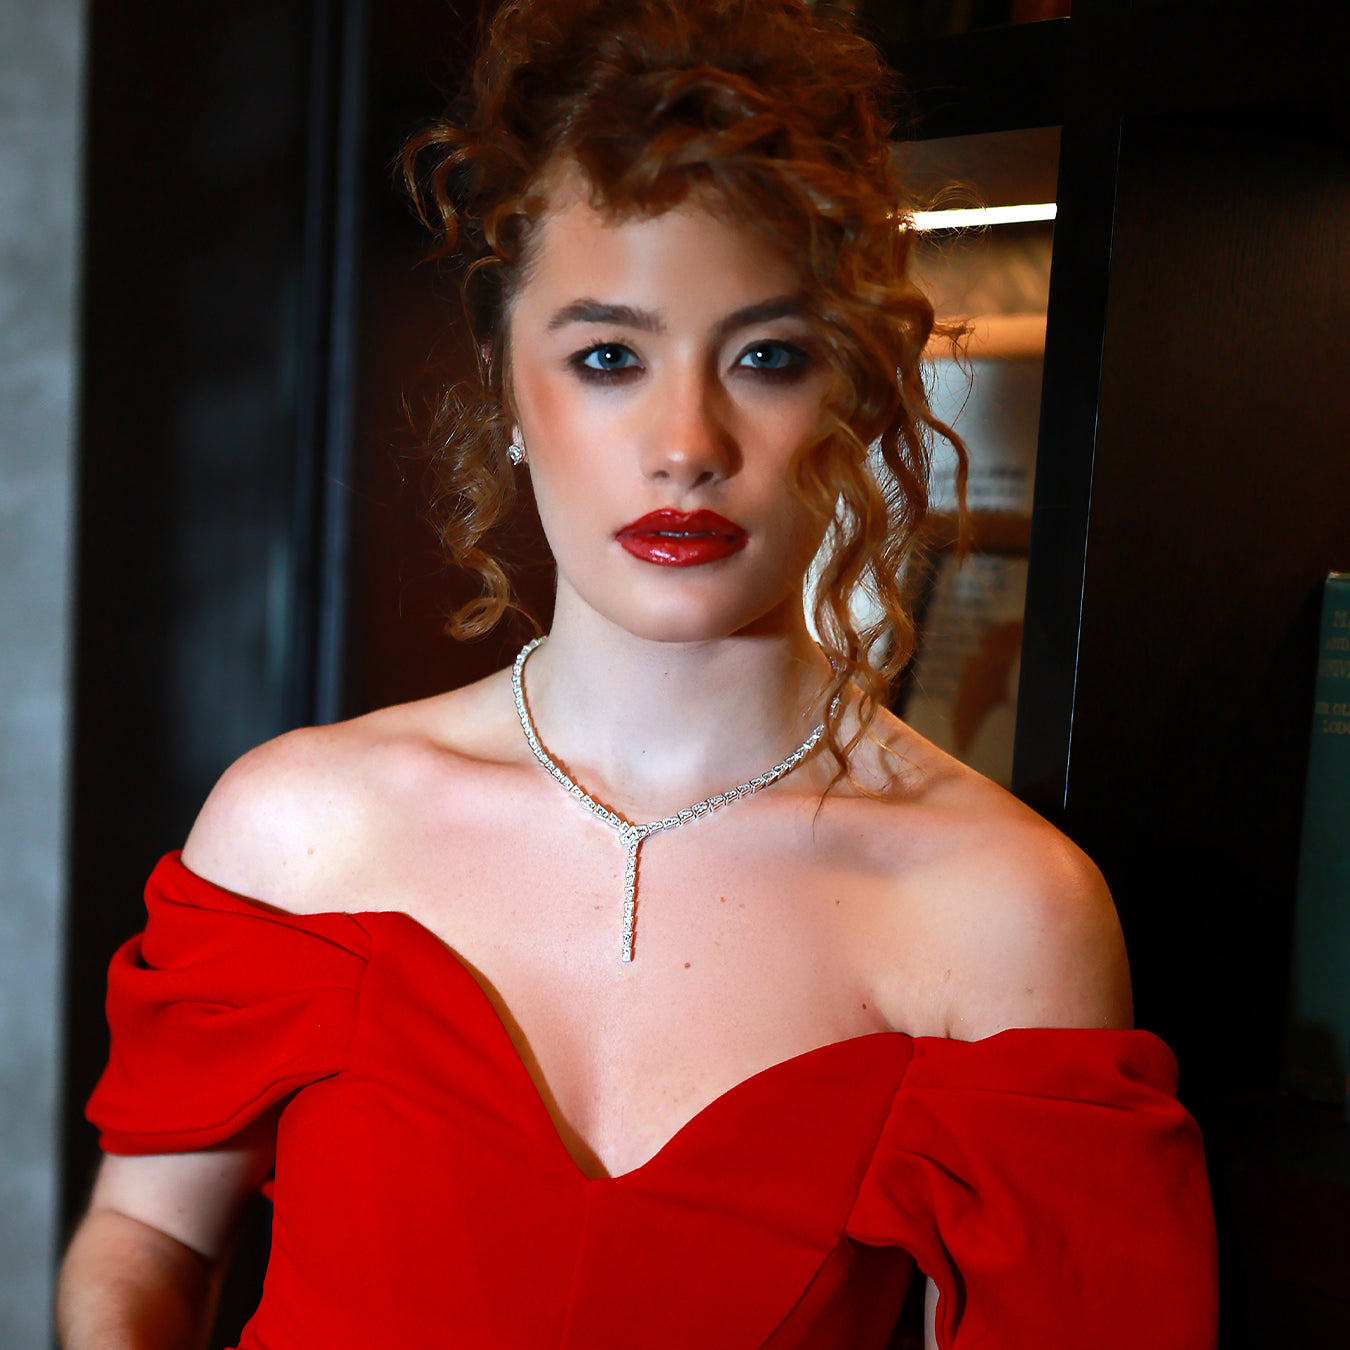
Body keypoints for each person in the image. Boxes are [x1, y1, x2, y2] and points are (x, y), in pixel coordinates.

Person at [57, 1, 1219, 1347]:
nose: (686, 442)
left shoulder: (1003, 908)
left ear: (852, 385)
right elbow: (146, 1239)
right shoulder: (303, 824)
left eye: (767, 357)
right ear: (506, 381)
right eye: (608, 356)